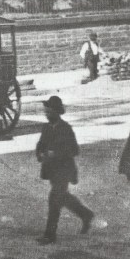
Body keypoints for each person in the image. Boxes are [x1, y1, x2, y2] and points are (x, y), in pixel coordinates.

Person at [35, 96, 93, 244]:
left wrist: (56, 153)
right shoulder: (46, 127)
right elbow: (40, 144)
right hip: (52, 170)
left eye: (49, 111)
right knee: (62, 197)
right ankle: (85, 214)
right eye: (45, 112)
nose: (46, 114)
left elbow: (74, 150)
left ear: (56, 112)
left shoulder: (66, 128)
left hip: (64, 170)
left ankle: (50, 235)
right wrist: (40, 153)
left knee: (54, 199)